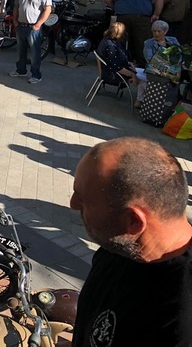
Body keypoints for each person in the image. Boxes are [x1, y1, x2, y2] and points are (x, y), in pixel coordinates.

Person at [70, 137, 192, 347]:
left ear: (133, 222)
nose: (72, 205)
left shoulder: (181, 319)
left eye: (83, 200)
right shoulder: (120, 246)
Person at [105, 0, 164, 67]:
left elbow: (107, 0)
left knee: (121, 40)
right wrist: (156, 14)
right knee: (142, 42)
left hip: (122, 17)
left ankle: (122, 64)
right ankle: (143, 66)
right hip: (142, 18)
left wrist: (116, 8)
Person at [9, 0, 52, 84]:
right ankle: (21, 70)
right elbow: (16, 5)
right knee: (21, 50)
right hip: (21, 25)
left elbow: (48, 10)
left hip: (34, 28)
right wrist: (15, 20)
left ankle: (36, 75)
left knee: (35, 53)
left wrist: (38, 24)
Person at [96, 22, 137, 87]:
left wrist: (130, 63)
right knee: (143, 79)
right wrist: (132, 74)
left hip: (110, 71)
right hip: (113, 75)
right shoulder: (111, 46)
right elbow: (116, 67)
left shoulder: (106, 40)